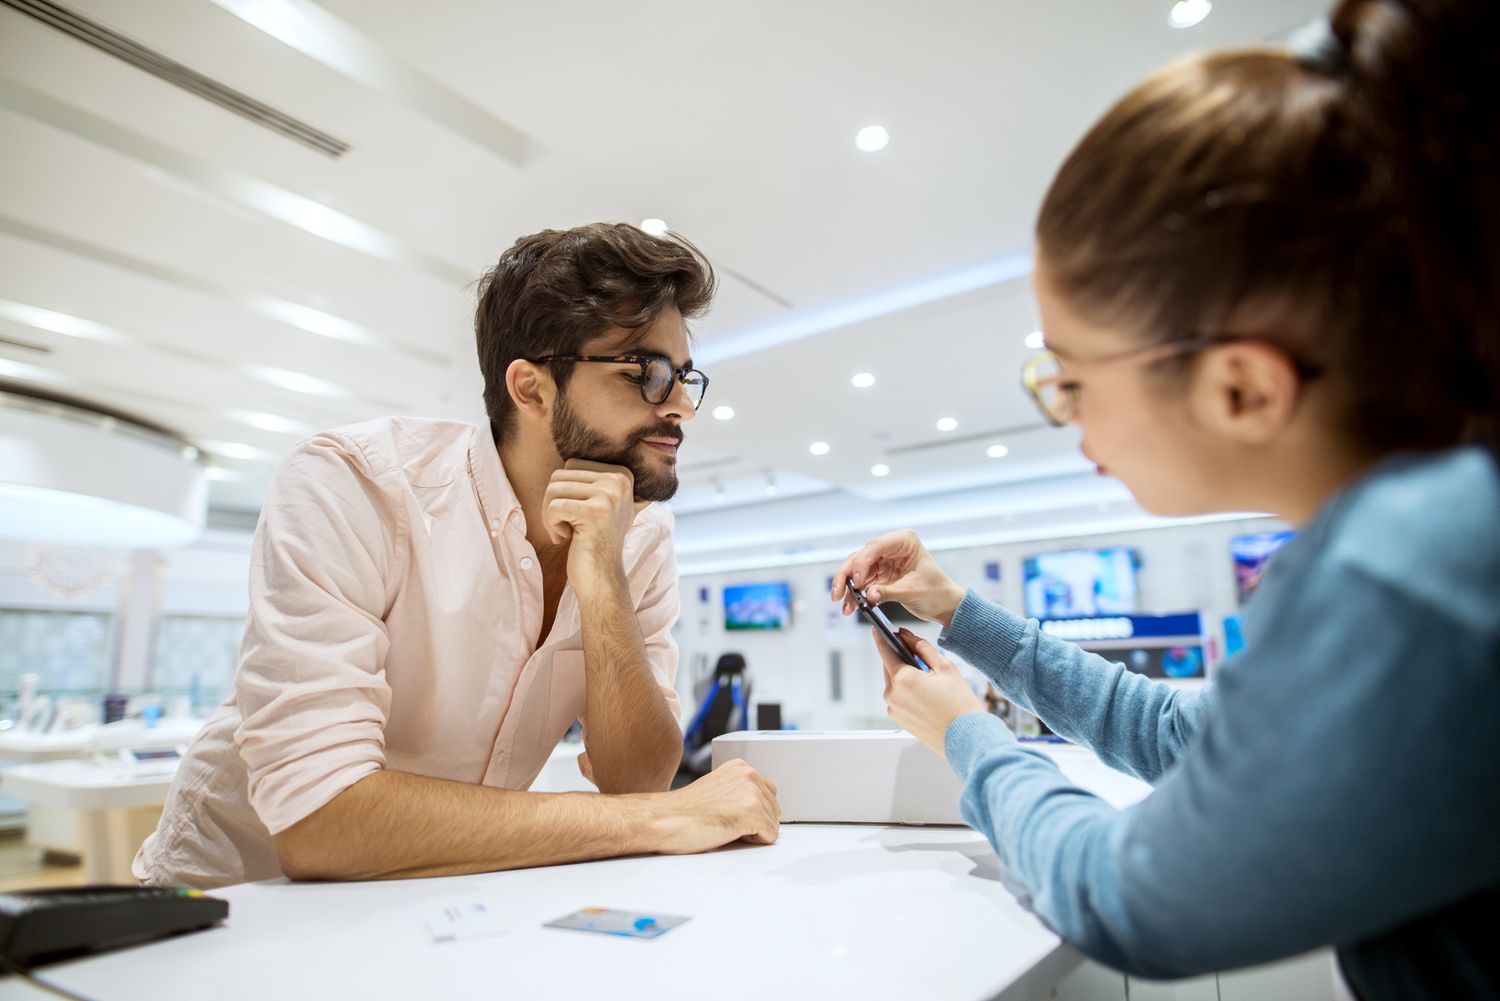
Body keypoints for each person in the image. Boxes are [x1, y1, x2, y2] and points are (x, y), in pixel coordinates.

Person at [832, 2, 1498, 997]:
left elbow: (1127, 897)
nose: (1069, 416)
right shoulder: (1433, 525)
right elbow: (1184, 739)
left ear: (1241, 387)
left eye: (1070, 378)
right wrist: (959, 614)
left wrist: (968, 736)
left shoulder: (1406, 574)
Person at [136, 223, 779, 889]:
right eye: (644, 372)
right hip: (234, 902)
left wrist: (604, 581)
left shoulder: (641, 534)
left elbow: (636, 776)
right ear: (531, 388)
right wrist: (657, 820)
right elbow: (318, 818)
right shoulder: (354, 484)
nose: (680, 406)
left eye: (683, 375)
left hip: (442, 895)